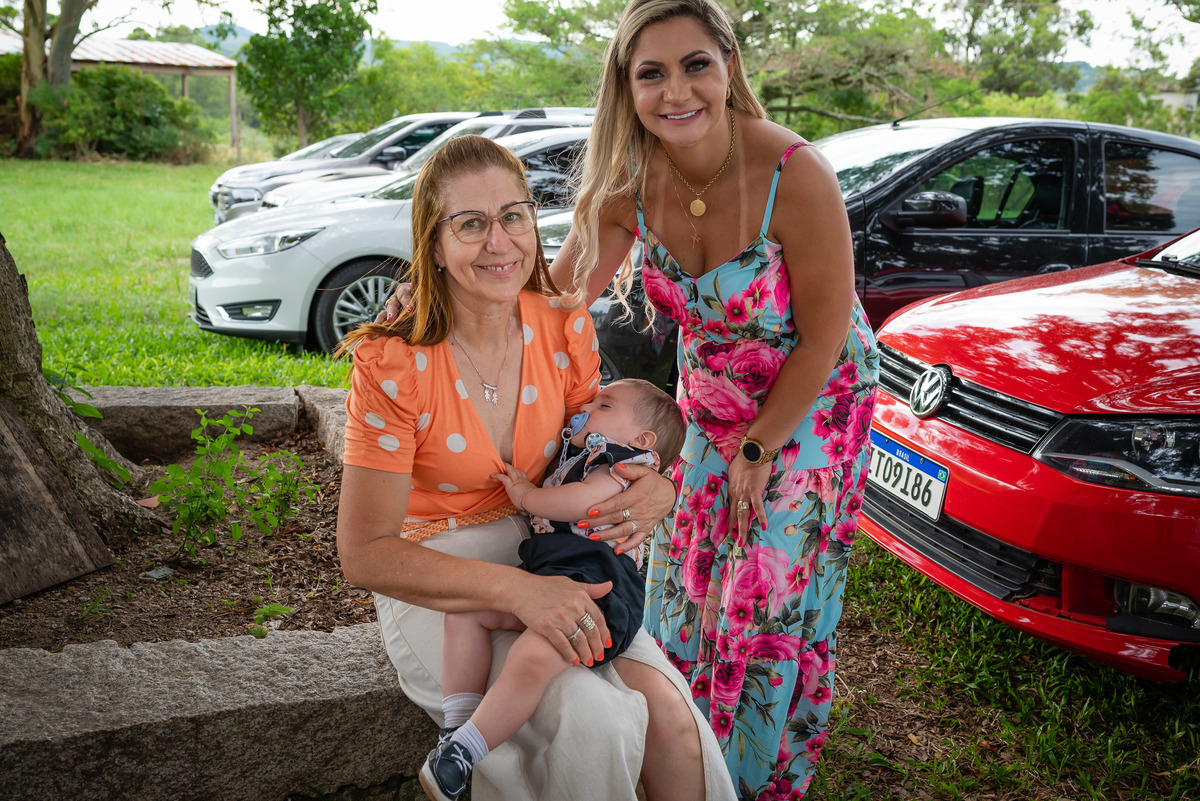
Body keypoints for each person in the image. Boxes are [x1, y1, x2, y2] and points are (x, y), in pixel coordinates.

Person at [336, 134, 736, 801]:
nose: (499, 242)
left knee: (669, 715)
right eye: (470, 224)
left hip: (556, 549)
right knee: (595, 718)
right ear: (433, 244)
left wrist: (661, 484)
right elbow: (364, 553)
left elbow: (604, 444)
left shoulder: (562, 324)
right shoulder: (393, 362)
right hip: (439, 569)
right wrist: (517, 592)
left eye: (513, 215)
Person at [549, 0, 881, 796]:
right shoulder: (626, 190)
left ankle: (749, 779)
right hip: (710, 404)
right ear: (625, 89)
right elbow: (554, 303)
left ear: (729, 63)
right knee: (685, 580)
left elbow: (827, 334)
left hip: (813, 403)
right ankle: (678, 756)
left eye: (695, 64)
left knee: (760, 592)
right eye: (651, 73)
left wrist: (760, 451)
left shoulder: (794, 173)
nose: (676, 91)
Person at [422, 378, 687, 800]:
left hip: (599, 592)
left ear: (642, 439)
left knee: (535, 651)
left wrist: (526, 495)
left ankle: (468, 751)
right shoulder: (585, 453)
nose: (586, 407)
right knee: (466, 610)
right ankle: (456, 728)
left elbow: (582, 502)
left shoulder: (622, 466)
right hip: (553, 580)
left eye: (604, 405)